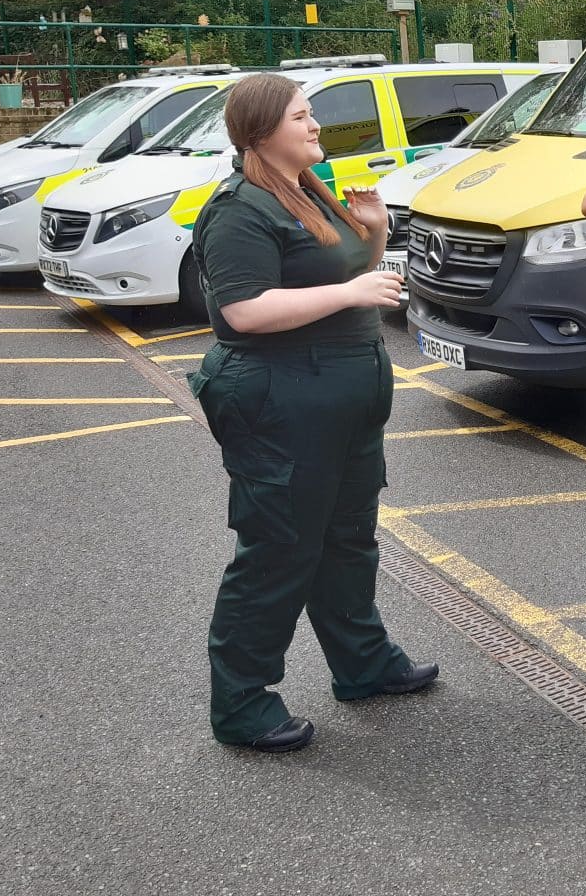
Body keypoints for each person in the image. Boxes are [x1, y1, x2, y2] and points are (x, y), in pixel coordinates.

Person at [189, 72, 437, 753]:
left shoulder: (307, 191)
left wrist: (376, 231)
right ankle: (241, 703)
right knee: (278, 551)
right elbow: (244, 311)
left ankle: (361, 663)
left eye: (312, 115)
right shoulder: (241, 209)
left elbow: (347, 277)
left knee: (346, 539)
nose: (315, 126)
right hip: (279, 399)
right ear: (260, 131)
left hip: (344, 400)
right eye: (301, 117)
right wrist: (353, 288)